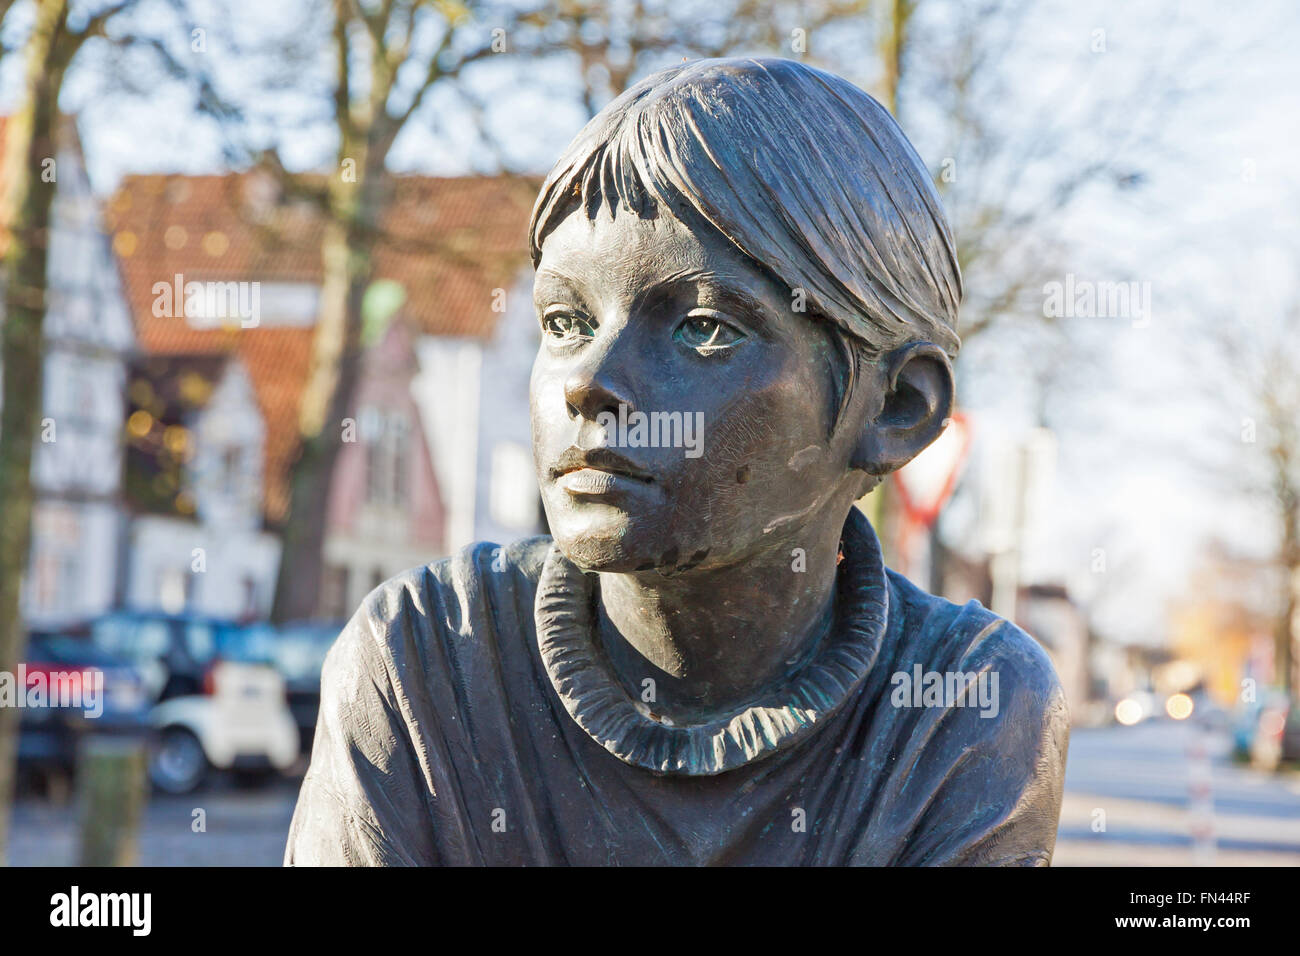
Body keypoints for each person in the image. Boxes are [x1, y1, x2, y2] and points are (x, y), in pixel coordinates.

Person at [284, 56, 1068, 866]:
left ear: (896, 408)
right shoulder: (425, 667)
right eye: (564, 321)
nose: (588, 382)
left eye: (702, 327)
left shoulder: (961, 704)